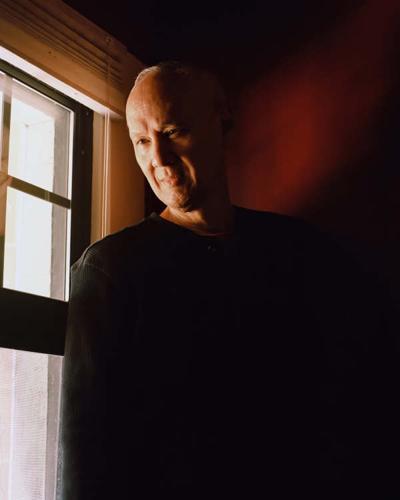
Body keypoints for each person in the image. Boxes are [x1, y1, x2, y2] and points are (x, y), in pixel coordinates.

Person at [61, 61, 398, 498]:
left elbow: (353, 406)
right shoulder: (110, 270)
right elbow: (86, 458)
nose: (157, 158)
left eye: (173, 131)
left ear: (221, 123)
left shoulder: (300, 251)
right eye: (141, 140)